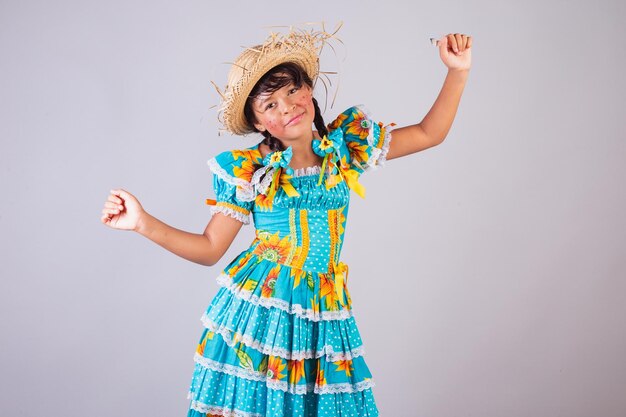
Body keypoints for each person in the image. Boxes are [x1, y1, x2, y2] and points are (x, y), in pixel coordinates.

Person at [100, 25, 471, 417]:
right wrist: (143, 222)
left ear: (309, 90)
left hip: (323, 310)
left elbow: (431, 133)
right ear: (258, 122)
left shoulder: (346, 147)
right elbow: (210, 249)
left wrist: (457, 71)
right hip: (264, 313)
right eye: (270, 104)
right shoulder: (250, 169)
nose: (287, 106)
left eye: (292, 91)